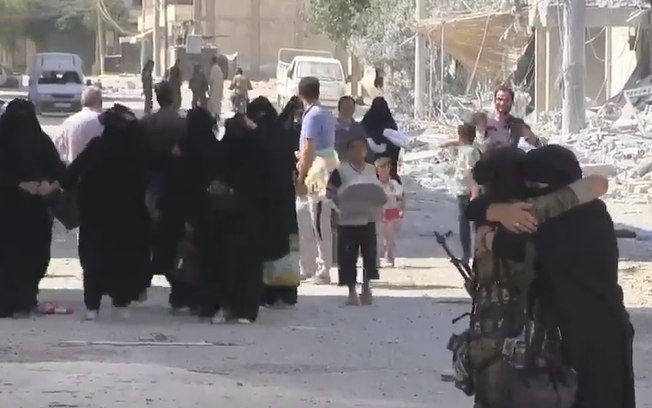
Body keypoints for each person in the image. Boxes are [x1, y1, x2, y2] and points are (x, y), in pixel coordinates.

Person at [471, 145, 635, 408]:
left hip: (587, 339)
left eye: (535, 185)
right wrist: (495, 213)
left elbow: (507, 241)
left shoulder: (557, 221)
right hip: (602, 331)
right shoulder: (590, 210)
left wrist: (487, 231)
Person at [59, 105, 150, 321]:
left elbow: (71, 174)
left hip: (94, 215)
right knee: (123, 257)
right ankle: (122, 301)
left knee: (93, 258)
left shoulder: (97, 147)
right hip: (128, 216)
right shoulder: (136, 151)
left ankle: (92, 306)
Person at [0, 99, 65, 318]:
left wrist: (48, 183)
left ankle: (26, 300)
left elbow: (57, 169)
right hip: (6, 210)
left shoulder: (41, 141)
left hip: (34, 212)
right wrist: (17, 184)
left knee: (34, 256)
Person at [213, 110, 268, 323]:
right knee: (250, 264)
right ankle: (247, 309)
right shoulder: (257, 151)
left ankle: (227, 306)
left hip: (228, 215)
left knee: (227, 262)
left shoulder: (224, 149)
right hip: (252, 214)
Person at [246, 97, 299, 308]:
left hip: (263, 201)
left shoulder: (256, 137)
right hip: (284, 198)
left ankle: (267, 292)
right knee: (284, 246)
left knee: (265, 246)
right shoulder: (283, 135)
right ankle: (286, 291)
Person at [141, 82, 189, 309]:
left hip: (151, 184)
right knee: (176, 238)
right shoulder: (183, 123)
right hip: (177, 187)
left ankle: (144, 279)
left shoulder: (147, 122)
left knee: (150, 234)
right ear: (174, 98)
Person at [326, 136, 385, 305]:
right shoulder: (340, 171)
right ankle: (351, 291)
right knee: (347, 257)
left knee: (369, 255)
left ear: (365, 151)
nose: (358, 151)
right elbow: (330, 192)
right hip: (347, 220)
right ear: (349, 151)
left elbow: (378, 191)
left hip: (368, 218)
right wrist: (338, 203)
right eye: (354, 148)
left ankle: (366, 287)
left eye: (361, 148)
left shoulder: (372, 169)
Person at [295, 76, 338, 284]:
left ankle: (323, 269)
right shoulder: (325, 114)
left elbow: (309, 149)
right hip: (324, 168)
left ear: (300, 94)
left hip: (316, 172)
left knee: (318, 220)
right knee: (307, 218)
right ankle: (308, 266)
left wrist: (301, 176)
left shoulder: (312, 116)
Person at [440, 123, 482, 263]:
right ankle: (472, 253)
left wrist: (474, 191)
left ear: (462, 136)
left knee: (466, 223)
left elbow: (472, 171)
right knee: (472, 223)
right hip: (466, 190)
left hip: (467, 191)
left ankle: (467, 254)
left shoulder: (469, 152)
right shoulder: (471, 149)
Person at [475, 86, 541, 152]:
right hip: (489, 157)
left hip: (509, 157)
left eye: (506, 100)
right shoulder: (484, 120)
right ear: (494, 101)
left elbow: (536, 143)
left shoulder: (517, 124)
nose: (502, 103)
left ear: (512, 102)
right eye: (499, 99)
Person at [55, 86, 104, 165]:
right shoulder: (102, 122)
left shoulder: (68, 122)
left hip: (73, 169)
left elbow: (58, 149)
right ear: (101, 103)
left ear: (82, 102)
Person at [361, 96, 401, 182]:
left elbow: (362, 131)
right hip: (387, 151)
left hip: (372, 153)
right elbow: (394, 135)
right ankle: (391, 176)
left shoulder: (368, 117)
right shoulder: (388, 118)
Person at [375, 155, 403, 267]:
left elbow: (400, 198)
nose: (382, 172)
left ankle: (390, 257)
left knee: (390, 237)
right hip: (379, 211)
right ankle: (376, 259)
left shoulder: (393, 184)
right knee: (377, 237)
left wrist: (401, 209)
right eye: (380, 169)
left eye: (385, 169)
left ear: (389, 169)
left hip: (391, 211)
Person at [334, 95, 368, 162]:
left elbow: (365, 147)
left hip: (355, 164)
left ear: (354, 108)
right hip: (337, 163)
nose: (347, 109)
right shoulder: (332, 126)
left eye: (350, 106)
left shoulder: (358, 127)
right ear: (339, 108)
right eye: (345, 106)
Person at [208, 56, 224, 120]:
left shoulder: (214, 68)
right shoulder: (218, 68)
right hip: (218, 87)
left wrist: (208, 84)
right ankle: (216, 114)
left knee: (214, 102)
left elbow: (211, 79)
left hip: (215, 88)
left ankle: (215, 116)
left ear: (212, 61)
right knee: (217, 101)